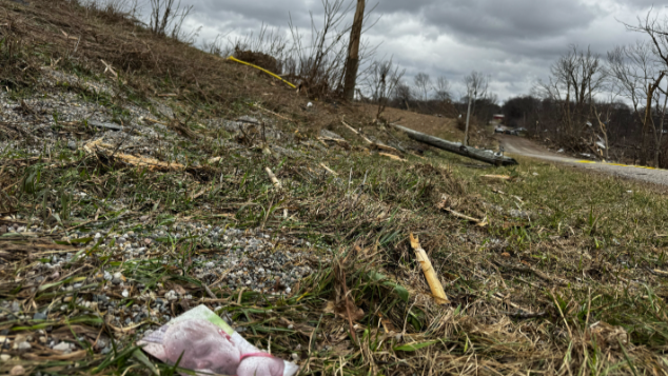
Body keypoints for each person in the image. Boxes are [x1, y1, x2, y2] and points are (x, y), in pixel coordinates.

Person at [162, 319, 286, 376]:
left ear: (228, 338)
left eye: (204, 350)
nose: (200, 365)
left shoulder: (250, 366)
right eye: (190, 365)